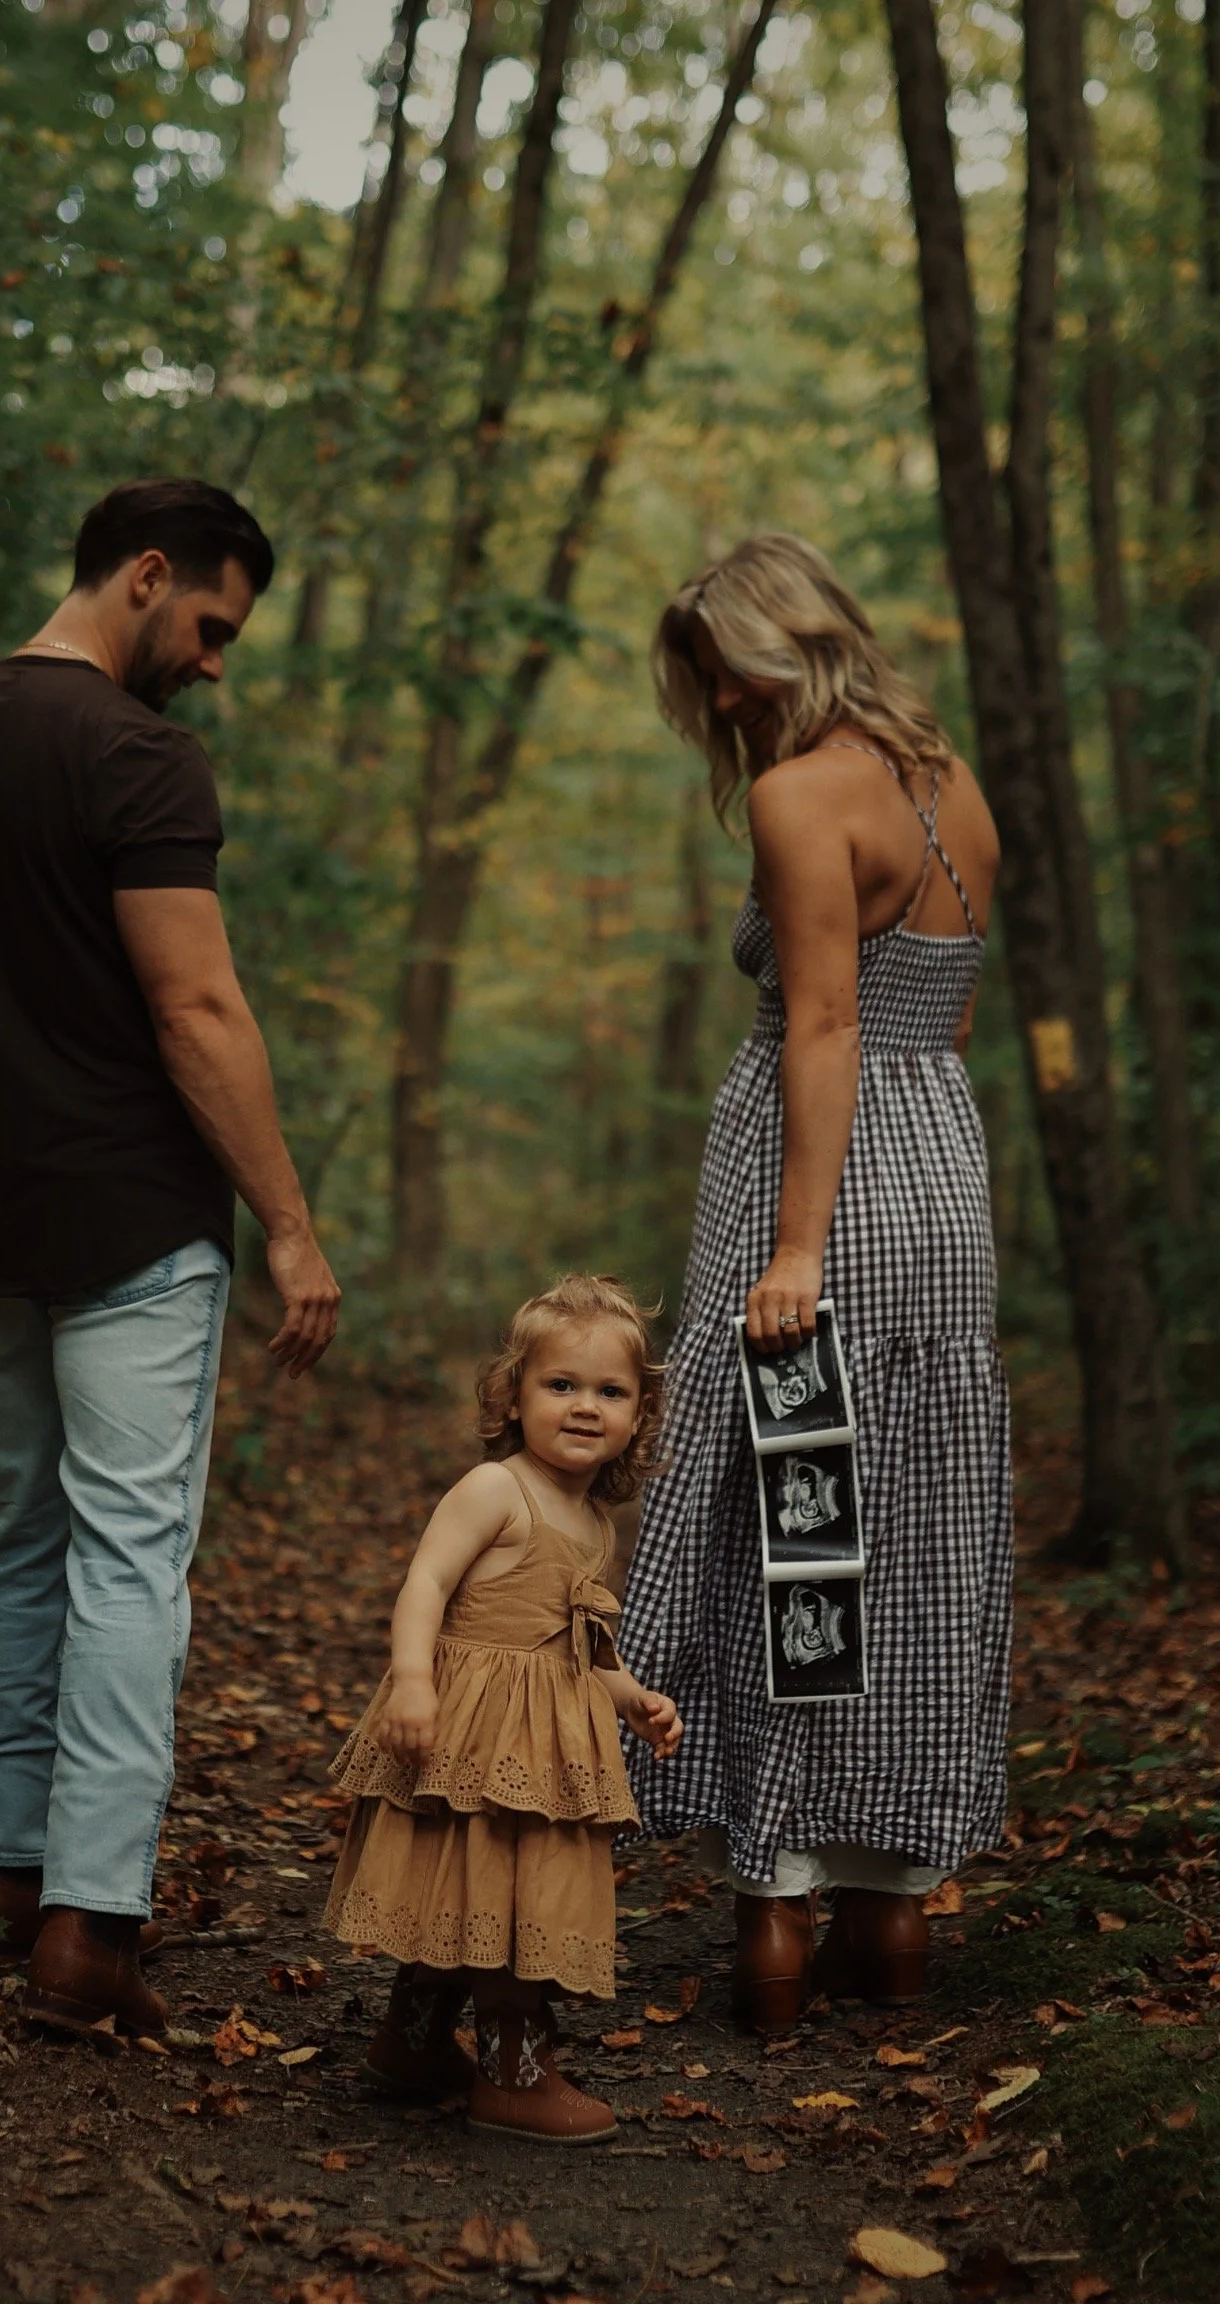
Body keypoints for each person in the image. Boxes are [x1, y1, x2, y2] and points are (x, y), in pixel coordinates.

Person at [0, 477, 340, 2041]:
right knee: (131, 1557)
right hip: (134, 1223)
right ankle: (90, 1929)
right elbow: (194, 1011)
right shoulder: (141, 759)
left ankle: (9, 1879)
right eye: (211, 623)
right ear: (147, 575)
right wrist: (287, 1220)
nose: (214, 662)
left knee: (16, 1541)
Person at [621, 533, 1011, 2032]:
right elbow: (948, 1021)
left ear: (781, 647)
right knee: (915, 1534)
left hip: (823, 1189)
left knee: (797, 1533)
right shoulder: (947, 781)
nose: (716, 703)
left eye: (721, 670)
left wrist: (796, 1247)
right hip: (942, 1178)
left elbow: (826, 1029)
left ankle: (779, 1913)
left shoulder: (797, 797)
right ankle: (893, 1919)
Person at [323, 1275, 682, 2143]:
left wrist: (632, 1698)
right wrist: (412, 1680)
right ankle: (514, 2071)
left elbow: (581, 1647)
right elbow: (426, 1584)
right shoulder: (496, 1489)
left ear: (639, 1413)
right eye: (561, 1385)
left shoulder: (594, 1520)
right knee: (489, 1882)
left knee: (489, 1886)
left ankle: (412, 2040)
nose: (585, 1407)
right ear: (513, 1396)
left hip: (544, 1744)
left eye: (610, 1391)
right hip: (469, 1734)